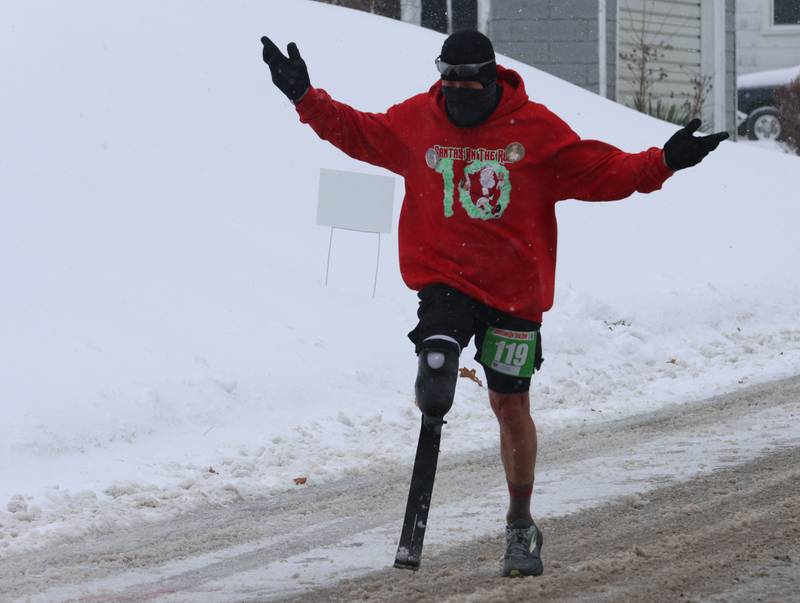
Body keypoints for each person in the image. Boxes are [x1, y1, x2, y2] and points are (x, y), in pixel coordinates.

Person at [260, 29, 728, 577]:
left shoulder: (535, 129)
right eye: (448, 79)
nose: (458, 91)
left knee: (510, 407)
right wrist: (305, 97)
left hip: (514, 291)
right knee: (437, 364)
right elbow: (358, 133)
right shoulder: (417, 119)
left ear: (491, 77)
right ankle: (434, 401)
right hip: (445, 279)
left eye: (469, 80)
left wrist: (665, 160)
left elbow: (603, 172)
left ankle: (520, 523)